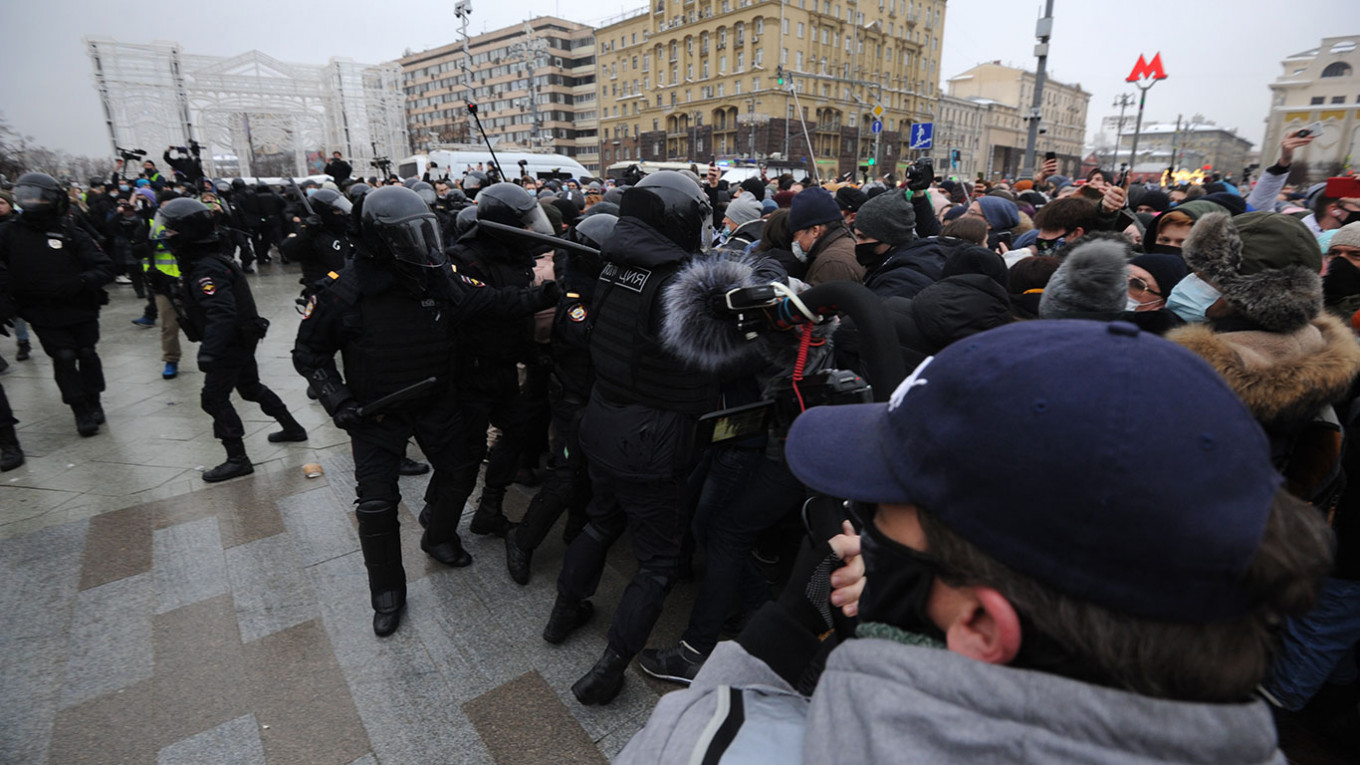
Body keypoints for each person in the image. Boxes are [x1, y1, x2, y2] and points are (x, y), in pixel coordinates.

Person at [618, 319, 1334, 764]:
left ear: (984, 623)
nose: (852, 534)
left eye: (879, 518)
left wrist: (781, 637)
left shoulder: (708, 741)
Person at [292, 185, 556, 636]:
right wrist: (339, 402)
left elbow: (487, 302)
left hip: (437, 400)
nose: (418, 245)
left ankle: (439, 537)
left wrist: (547, 295)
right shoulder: (344, 290)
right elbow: (309, 355)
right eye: (404, 236)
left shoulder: (435, 276)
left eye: (423, 232)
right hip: (376, 414)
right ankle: (387, 590)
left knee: (460, 469)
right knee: (376, 504)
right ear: (378, 239)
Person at [546, 171, 721, 705]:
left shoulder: (618, 267)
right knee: (658, 562)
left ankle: (563, 613)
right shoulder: (682, 283)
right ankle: (611, 666)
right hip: (652, 440)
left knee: (601, 522)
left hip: (602, 422)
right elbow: (722, 358)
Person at [437, 182, 558, 538]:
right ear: (503, 223)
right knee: (466, 452)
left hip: (504, 366)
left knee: (519, 432)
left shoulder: (516, 254)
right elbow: (485, 303)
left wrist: (535, 355)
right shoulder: (461, 258)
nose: (530, 230)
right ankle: (437, 517)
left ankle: (490, 506)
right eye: (524, 223)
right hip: (470, 371)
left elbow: (515, 320)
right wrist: (544, 296)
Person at [156, 198, 307, 482]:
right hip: (240, 338)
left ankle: (237, 458)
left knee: (213, 398)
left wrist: (209, 352)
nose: (167, 235)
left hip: (229, 342)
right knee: (250, 388)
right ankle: (293, 428)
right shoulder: (207, 260)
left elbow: (221, 312)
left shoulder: (206, 268)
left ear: (187, 232)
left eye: (172, 231)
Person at [506, 213, 618, 585]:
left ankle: (576, 529)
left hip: (596, 398)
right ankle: (522, 540)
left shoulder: (597, 286)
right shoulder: (575, 297)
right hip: (573, 399)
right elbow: (589, 337)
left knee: (590, 473)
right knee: (567, 477)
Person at [0, 173, 115, 436]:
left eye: (38, 197)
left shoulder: (70, 232)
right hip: (42, 309)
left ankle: (94, 399)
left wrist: (81, 281)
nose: (32, 201)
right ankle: (79, 409)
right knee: (63, 357)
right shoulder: (9, 233)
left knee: (86, 352)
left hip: (80, 306)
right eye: (27, 196)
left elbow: (104, 266)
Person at [789, 187, 861, 284]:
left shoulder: (831, 264)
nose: (795, 242)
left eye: (796, 235)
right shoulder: (845, 243)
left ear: (815, 231)